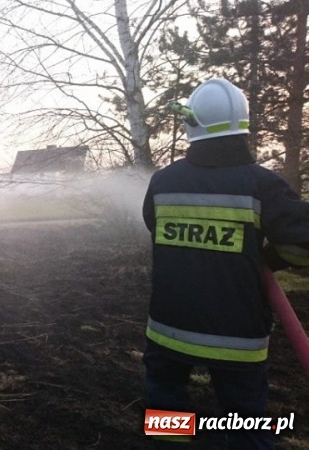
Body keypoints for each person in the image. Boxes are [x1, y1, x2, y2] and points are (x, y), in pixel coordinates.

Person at [141, 77, 309, 449]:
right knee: (244, 428)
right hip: (235, 339)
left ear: (191, 124)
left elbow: (156, 228)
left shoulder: (163, 182)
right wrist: (266, 259)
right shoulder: (262, 185)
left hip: (167, 330)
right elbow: (302, 242)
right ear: (242, 127)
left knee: (168, 416)